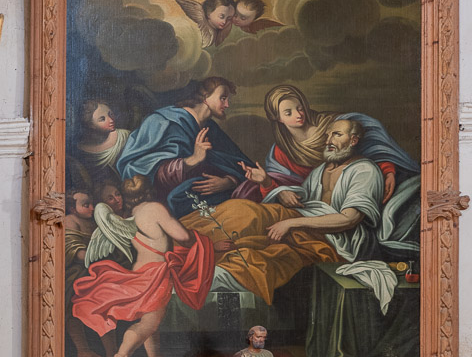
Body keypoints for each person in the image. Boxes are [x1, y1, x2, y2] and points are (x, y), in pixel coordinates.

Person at [181, 118, 386, 304]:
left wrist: (290, 223)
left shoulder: (364, 170)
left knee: (255, 229)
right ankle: (184, 245)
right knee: (242, 212)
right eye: (328, 134)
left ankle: (209, 267)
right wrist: (267, 183)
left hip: (332, 240)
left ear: (353, 140)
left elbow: (349, 219)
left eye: (337, 135)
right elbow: (302, 205)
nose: (328, 140)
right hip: (301, 222)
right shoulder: (321, 170)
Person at [72, 175, 221, 357]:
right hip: (155, 273)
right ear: (149, 191)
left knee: (150, 314)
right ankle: (123, 353)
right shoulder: (155, 208)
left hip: (141, 269)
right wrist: (209, 243)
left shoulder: (131, 215)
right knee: (151, 321)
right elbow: (183, 237)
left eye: (118, 194)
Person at [238, 83, 419, 203]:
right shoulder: (281, 152)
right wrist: (274, 187)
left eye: (300, 108)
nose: (298, 114)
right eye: (289, 112)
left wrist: (388, 171)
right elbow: (283, 187)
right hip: (314, 204)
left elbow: (370, 144)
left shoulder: (332, 125)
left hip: (356, 192)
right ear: (277, 118)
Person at [116, 77, 254, 218]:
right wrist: (192, 160)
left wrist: (229, 182)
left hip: (206, 200)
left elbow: (239, 165)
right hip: (168, 205)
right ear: (205, 97)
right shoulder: (163, 122)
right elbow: (139, 169)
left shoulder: (211, 129)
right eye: (223, 98)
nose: (227, 105)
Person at [65, 189, 118, 357]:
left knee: (106, 310)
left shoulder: (95, 221)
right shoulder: (70, 220)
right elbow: (77, 252)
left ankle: (112, 352)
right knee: (73, 312)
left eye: (92, 204)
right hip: (76, 275)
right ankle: (83, 350)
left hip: (97, 272)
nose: (92, 208)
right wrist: (99, 255)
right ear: (72, 209)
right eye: (85, 205)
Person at [77, 100, 130, 181]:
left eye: (111, 114)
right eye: (102, 119)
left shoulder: (124, 136)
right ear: (91, 125)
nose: (111, 120)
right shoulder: (82, 150)